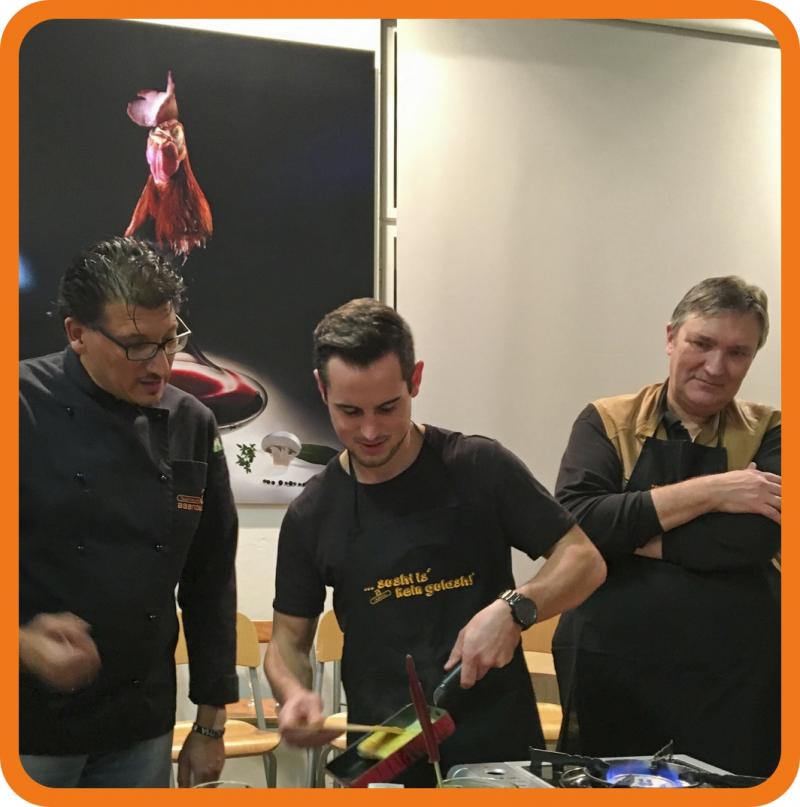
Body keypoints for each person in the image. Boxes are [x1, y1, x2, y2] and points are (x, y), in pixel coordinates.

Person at [265, 298, 606, 785]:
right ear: (322, 389)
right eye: (349, 411)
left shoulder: (478, 467)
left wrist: (515, 610)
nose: (369, 430)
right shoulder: (312, 513)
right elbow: (287, 641)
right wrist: (293, 693)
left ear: (416, 379)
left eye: (388, 407)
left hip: (498, 753)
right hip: (386, 753)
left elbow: (585, 561)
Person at [19, 237, 239, 788]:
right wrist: (17, 640)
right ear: (77, 334)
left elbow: (211, 579)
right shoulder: (19, 405)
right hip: (26, 725)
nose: (160, 365)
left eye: (169, 341)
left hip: (140, 722)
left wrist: (210, 724)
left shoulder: (192, 423)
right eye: (138, 347)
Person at [552, 276, 780, 778]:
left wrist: (631, 535)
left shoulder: (774, 430)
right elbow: (579, 521)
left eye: (737, 353)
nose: (716, 367)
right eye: (702, 343)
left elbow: (757, 537)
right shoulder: (605, 421)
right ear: (671, 337)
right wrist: (715, 491)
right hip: (612, 665)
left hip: (737, 677)